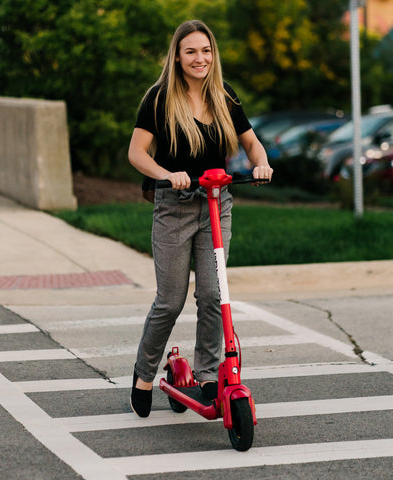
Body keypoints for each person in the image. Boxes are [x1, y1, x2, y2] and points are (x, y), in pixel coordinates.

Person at [128, 19, 273, 417]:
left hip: (216, 203)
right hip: (174, 206)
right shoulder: (159, 98)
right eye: (191, 51)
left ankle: (209, 374)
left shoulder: (224, 95)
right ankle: (143, 373)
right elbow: (137, 153)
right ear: (177, 55)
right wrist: (164, 174)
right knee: (170, 301)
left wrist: (260, 164)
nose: (200, 58)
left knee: (213, 296)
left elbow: (251, 142)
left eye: (206, 51)